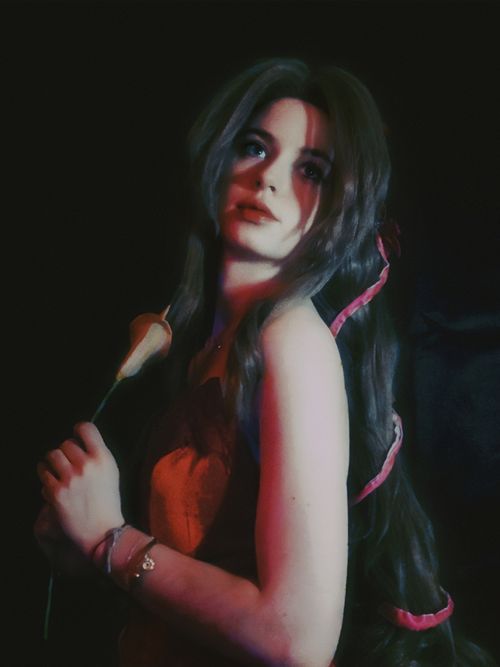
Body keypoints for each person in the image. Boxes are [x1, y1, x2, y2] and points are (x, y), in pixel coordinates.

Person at [34, 58, 496, 666]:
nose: (268, 179)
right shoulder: (207, 345)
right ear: (219, 160)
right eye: (255, 148)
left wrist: (108, 541)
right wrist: (79, 540)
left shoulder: (292, 341)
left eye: (311, 169)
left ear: (338, 209)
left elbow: (295, 640)